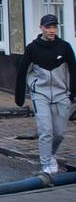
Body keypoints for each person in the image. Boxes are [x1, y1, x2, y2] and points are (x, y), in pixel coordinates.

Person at [14, 14, 76, 175]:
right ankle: (46, 165)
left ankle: (52, 154)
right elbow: (22, 71)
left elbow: (73, 70)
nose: (51, 30)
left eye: (54, 27)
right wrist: (19, 96)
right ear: (41, 28)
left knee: (60, 133)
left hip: (62, 94)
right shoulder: (32, 48)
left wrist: (72, 94)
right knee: (45, 130)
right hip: (40, 94)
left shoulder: (65, 47)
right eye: (48, 27)